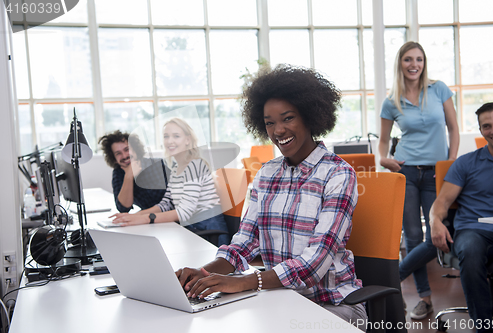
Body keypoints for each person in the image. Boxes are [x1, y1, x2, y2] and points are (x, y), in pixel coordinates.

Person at [175, 64, 368, 330]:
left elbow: (315, 263)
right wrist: (206, 273)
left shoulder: (337, 174)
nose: (278, 131)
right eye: (269, 123)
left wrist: (245, 282)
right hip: (280, 299)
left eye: (288, 118)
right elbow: (244, 243)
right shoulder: (266, 173)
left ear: (310, 116)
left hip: (332, 305)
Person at [378, 41, 460, 320]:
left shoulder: (439, 89)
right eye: (408, 60)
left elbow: (453, 129)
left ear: (424, 63)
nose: (414, 65)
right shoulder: (391, 101)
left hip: (438, 172)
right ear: (399, 63)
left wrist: (450, 166)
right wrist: (383, 158)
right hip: (406, 171)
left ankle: (394, 278)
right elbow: (383, 141)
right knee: (412, 236)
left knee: (435, 235)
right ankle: (424, 298)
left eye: (419, 60)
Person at [431, 101, 493, 333]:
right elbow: (442, 202)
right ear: (480, 130)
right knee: (470, 249)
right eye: (487, 126)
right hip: (475, 230)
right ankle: (484, 328)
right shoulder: (466, 163)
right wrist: (435, 222)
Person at [111, 118, 230, 246]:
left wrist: (143, 219)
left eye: (176, 136)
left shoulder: (195, 165)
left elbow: (184, 212)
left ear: (188, 140)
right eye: (166, 136)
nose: (170, 141)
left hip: (209, 234)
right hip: (191, 230)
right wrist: (134, 217)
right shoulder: (176, 168)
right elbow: (166, 203)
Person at [98, 130, 167, 212]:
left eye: (127, 149)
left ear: (135, 150)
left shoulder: (159, 165)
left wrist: (140, 215)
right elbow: (123, 208)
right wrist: (128, 176)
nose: (124, 156)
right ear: (114, 159)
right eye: (118, 153)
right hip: (151, 220)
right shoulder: (118, 173)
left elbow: (170, 204)